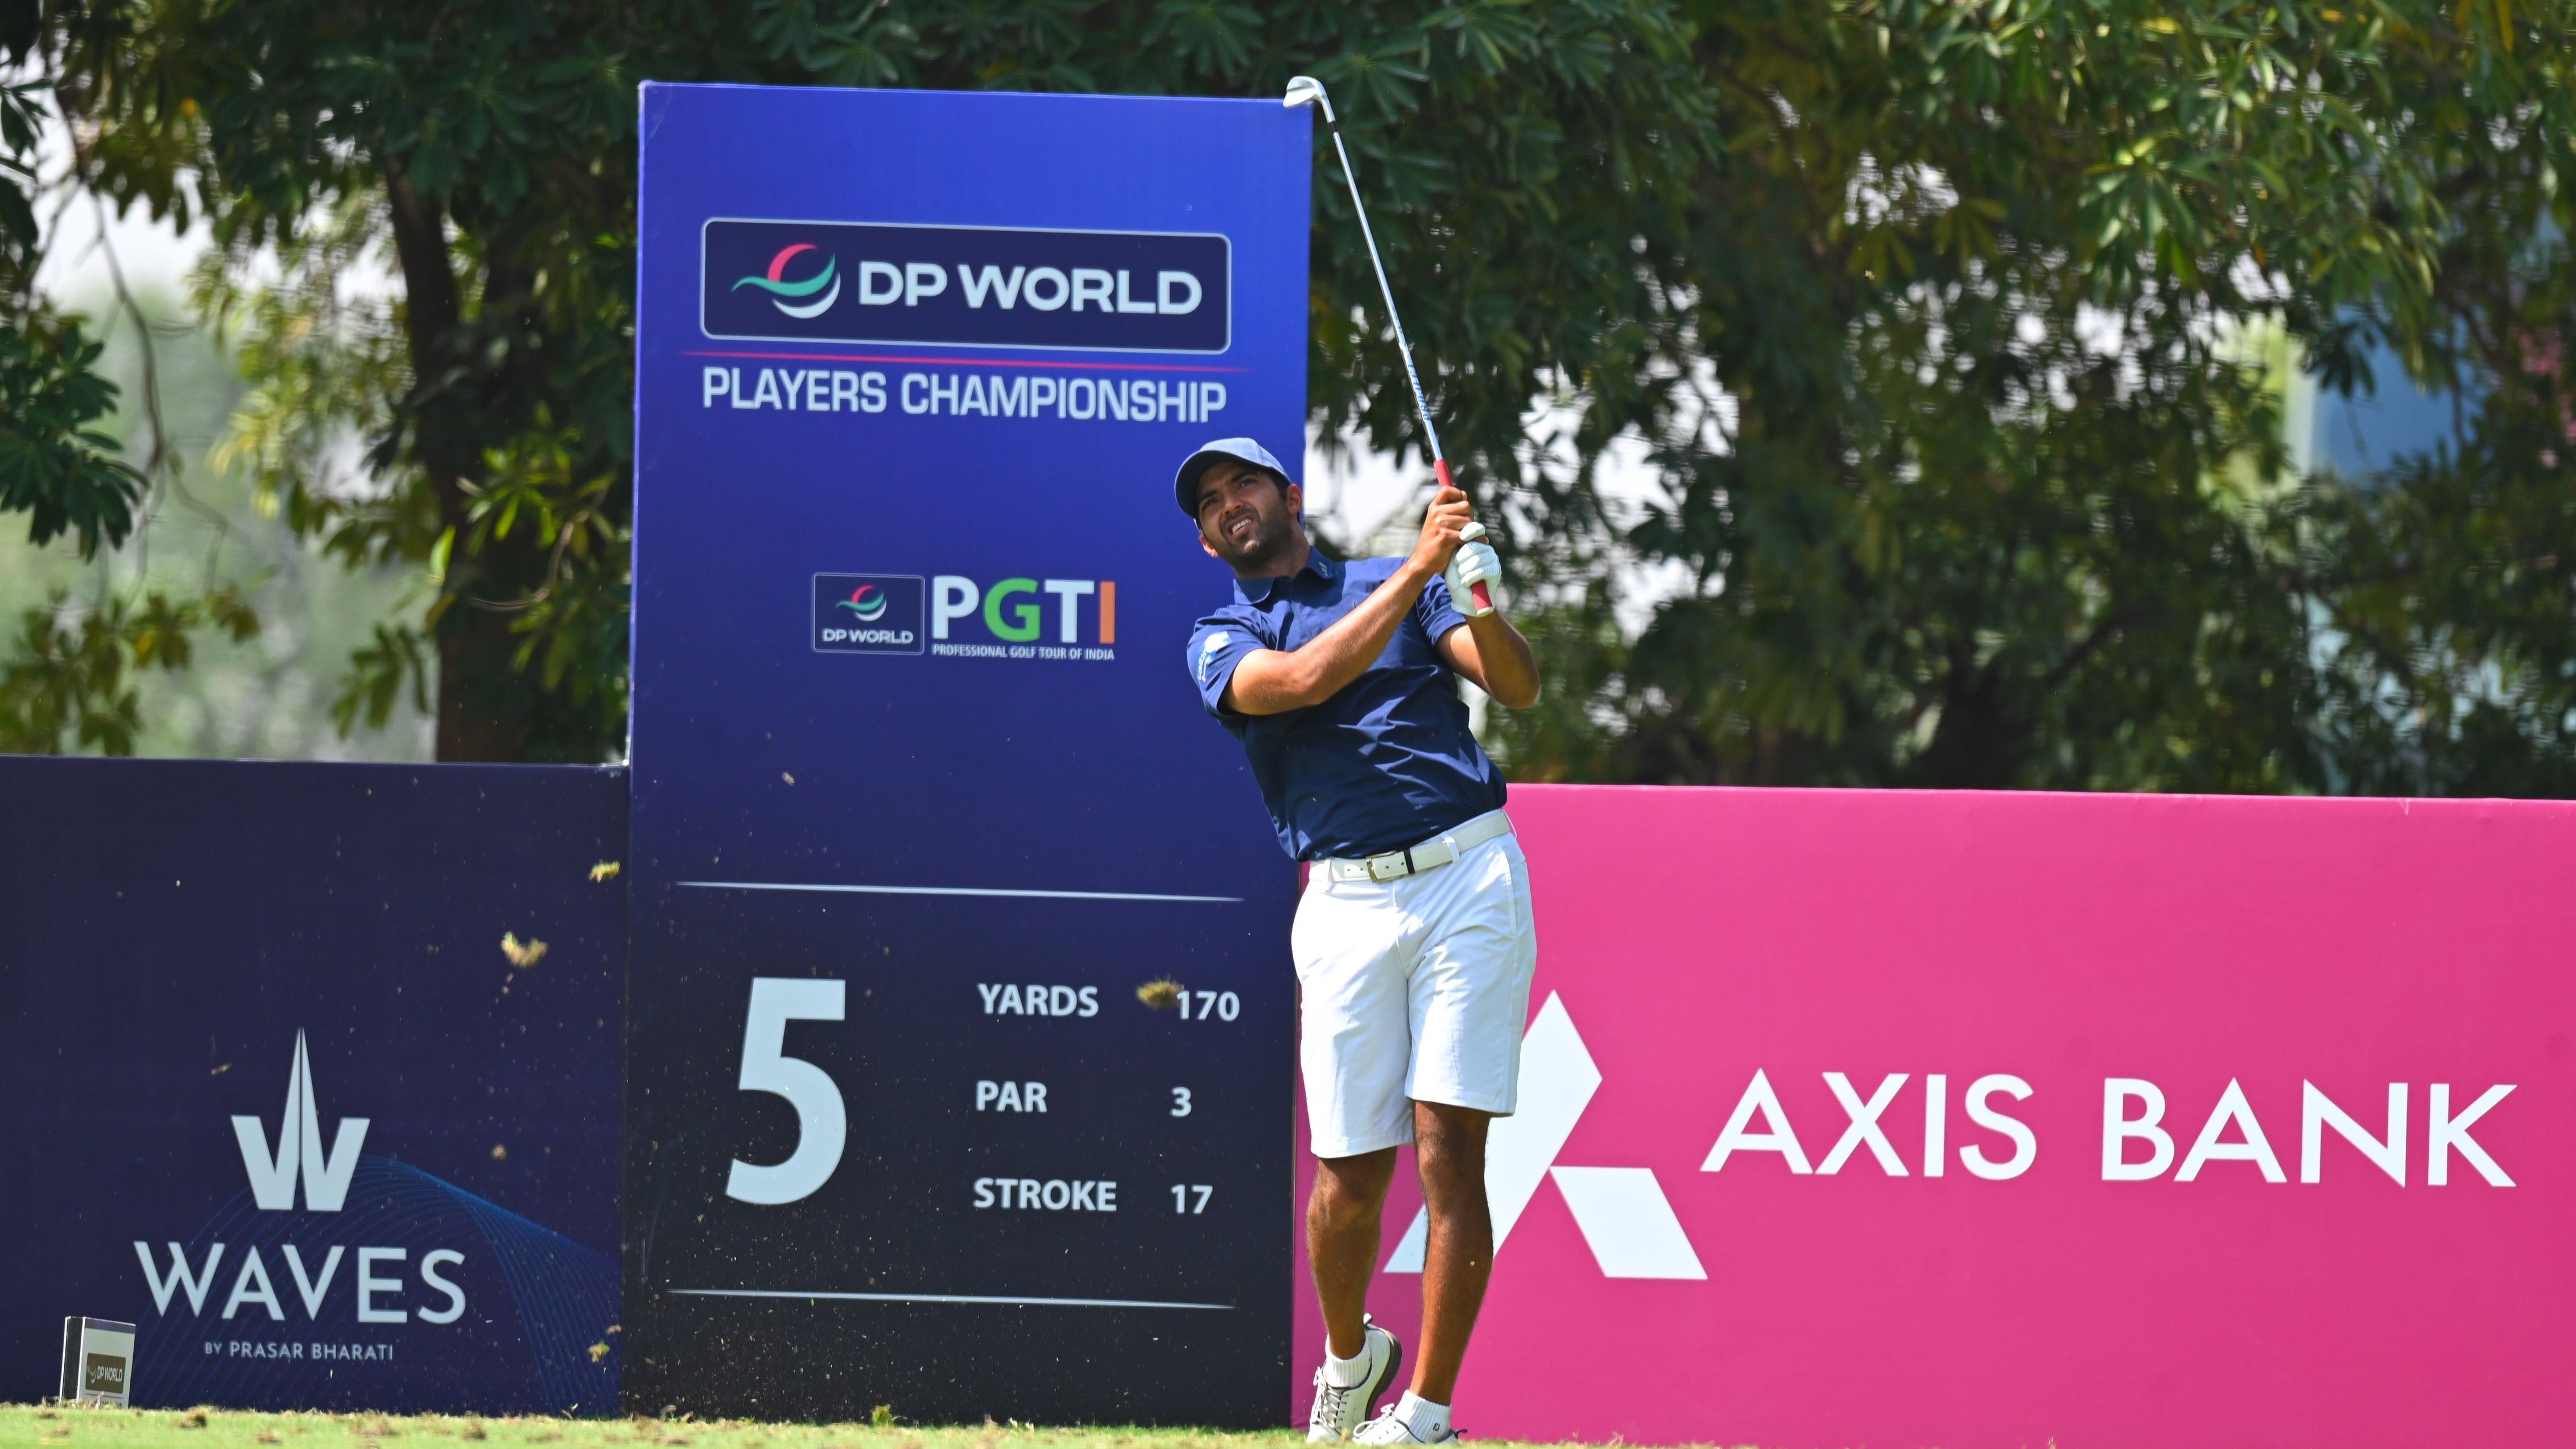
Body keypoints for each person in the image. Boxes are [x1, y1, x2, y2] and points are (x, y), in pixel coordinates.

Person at [1174, 437, 1542, 1446]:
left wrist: (1478, 600)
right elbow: (1298, 682)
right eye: (1210, 503)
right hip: (1343, 903)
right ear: (1208, 542)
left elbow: (1515, 687)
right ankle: (1351, 1356)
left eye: (1244, 484)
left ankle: (1427, 1415)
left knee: (1449, 1151)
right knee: (1347, 1178)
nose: (1229, 504)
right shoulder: (1222, 635)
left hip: (1468, 873)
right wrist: (1422, 568)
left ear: (1290, 496)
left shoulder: (1398, 582)